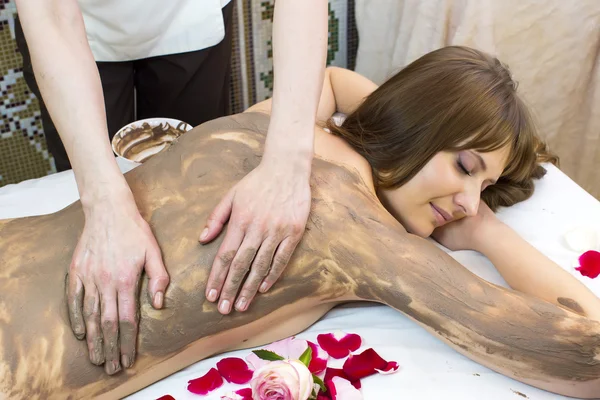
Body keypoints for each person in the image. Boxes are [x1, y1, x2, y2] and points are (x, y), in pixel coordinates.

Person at [2, 47, 600, 399]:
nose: (470, 202)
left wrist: (442, 179)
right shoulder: (363, 238)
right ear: (418, 125)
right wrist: (488, 235)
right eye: (465, 167)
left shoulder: (272, 131)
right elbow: (586, 352)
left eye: (487, 190)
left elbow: (331, 79)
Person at [14, 0, 329, 372]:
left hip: (190, 16)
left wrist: (287, 164)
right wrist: (104, 206)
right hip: (73, 25)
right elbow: (49, 12)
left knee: (194, 194)